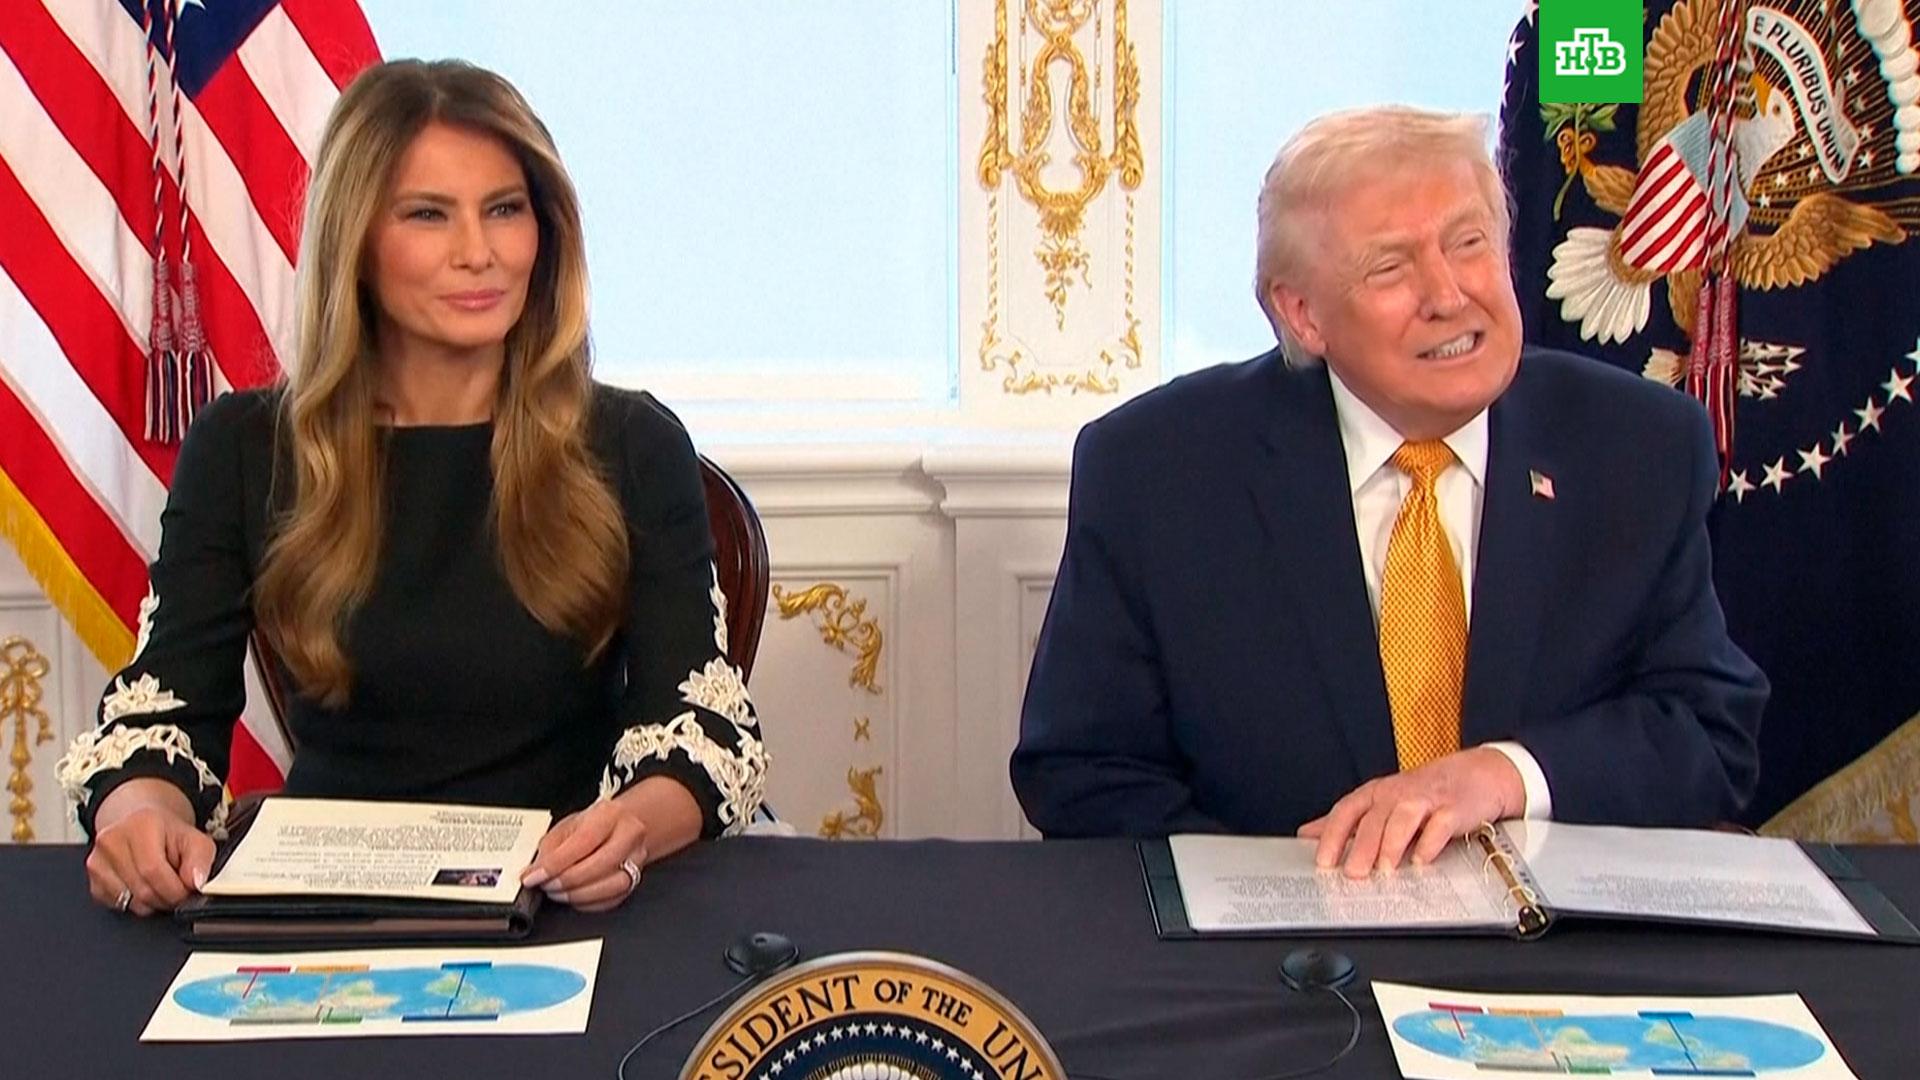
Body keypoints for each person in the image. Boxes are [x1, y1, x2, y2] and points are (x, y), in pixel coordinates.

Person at [55, 59, 767, 916]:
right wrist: (139, 815)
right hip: (325, 907)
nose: (480, 253)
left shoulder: (632, 443)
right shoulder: (245, 447)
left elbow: (701, 728)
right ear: (355, 240)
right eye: (429, 214)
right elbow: (161, 714)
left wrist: (634, 828)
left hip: (567, 898)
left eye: (505, 209)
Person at [1011, 105, 1766, 875]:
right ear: (1303, 314)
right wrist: (1290, 893)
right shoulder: (1158, 472)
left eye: (1468, 244)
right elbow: (1082, 773)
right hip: (1281, 935)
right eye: (1390, 268)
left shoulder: (1637, 447)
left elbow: (1709, 735)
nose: (1448, 295)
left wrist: (1504, 774)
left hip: (1557, 933)